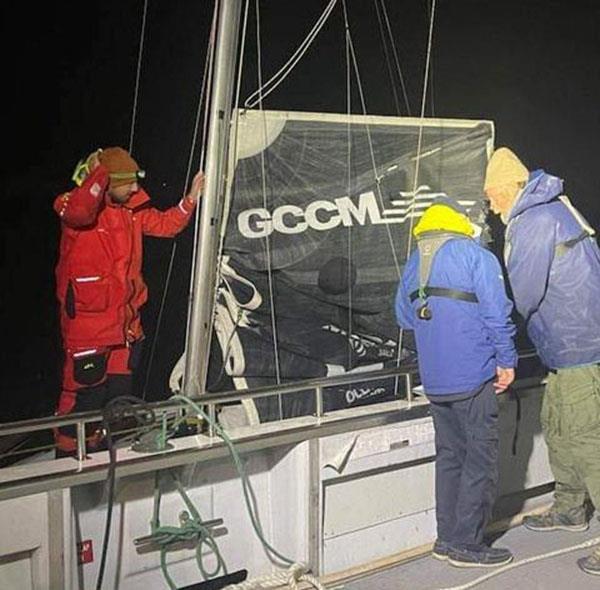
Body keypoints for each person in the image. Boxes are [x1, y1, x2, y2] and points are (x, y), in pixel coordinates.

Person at [483, 146, 600, 577]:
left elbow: (525, 294)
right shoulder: (552, 210)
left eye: (494, 196)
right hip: (568, 352)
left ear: (514, 187)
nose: (493, 208)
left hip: (579, 350)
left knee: (588, 443)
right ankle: (570, 509)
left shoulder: (533, 219)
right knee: (558, 429)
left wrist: (496, 335)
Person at [53, 147, 204, 456]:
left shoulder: (132, 212)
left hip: (126, 326)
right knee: (85, 395)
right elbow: (81, 210)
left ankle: (105, 447)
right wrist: (99, 173)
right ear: (106, 181)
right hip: (89, 326)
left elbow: (167, 225)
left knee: (118, 395)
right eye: (128, 182)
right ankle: (69, 455)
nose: (136, 188)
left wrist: (190, 199)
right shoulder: (71, 207)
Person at [395, 197, 517, 568]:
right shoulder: (476, 256)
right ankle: (468, 544)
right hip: (473, 377)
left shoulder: (415, 261)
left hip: (435, 381)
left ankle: (446, 539)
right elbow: (498, 315)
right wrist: (507, 362)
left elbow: (404, 317)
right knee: (479, 460)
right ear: (460, 222)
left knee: (449, 458)